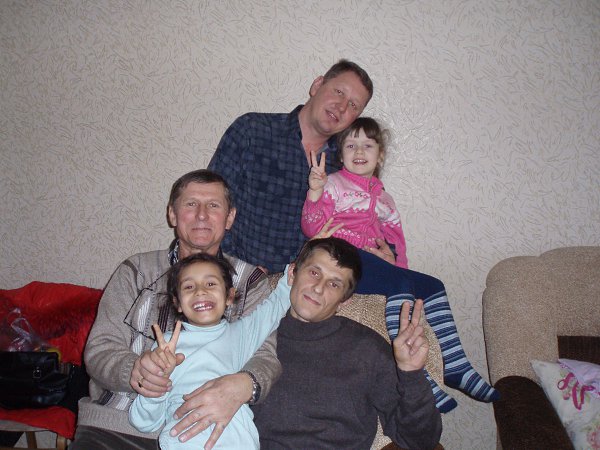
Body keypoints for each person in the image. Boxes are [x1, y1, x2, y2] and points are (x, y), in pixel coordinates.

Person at [208, 59, 498, 412]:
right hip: (254, 278)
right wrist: (225, 273)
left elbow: (374, 218)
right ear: (317, 85)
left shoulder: (347, 159)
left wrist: (390, 256)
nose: (342, 107)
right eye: (338, 92)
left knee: (413, 293)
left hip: (320, 282)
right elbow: (213, 203)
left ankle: (443, 372)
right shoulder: (254, 131)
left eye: (354, 105)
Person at [71, 170, 279, 450]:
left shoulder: (250, 282)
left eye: (213, 205)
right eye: (191, 204)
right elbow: (99, 349)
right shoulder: (136, 271)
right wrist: (137, 371)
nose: (202, 215)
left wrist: (244, 384)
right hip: (117, 425)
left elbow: (266, 358)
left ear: (230, 217)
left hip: (207, 432)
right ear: (172, 214)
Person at [252, 237, 443, 449]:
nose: (318, 288)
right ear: (292, 273)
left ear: (344, 301)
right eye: (314, 273)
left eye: (334, 284)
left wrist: (411, 374)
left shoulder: (367, 350)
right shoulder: (254, 333)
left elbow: (419, 441)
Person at [129, 254, 292, 449]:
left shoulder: (242, 334)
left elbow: (277, 304)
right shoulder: (165, 348)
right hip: (183, 444)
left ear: (229, 296)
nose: (200, 291)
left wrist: (298, 266)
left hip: (237, 442)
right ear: (177, 302)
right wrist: (157, 379)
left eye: (210, 284)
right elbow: (143, 422)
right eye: (189, 287)